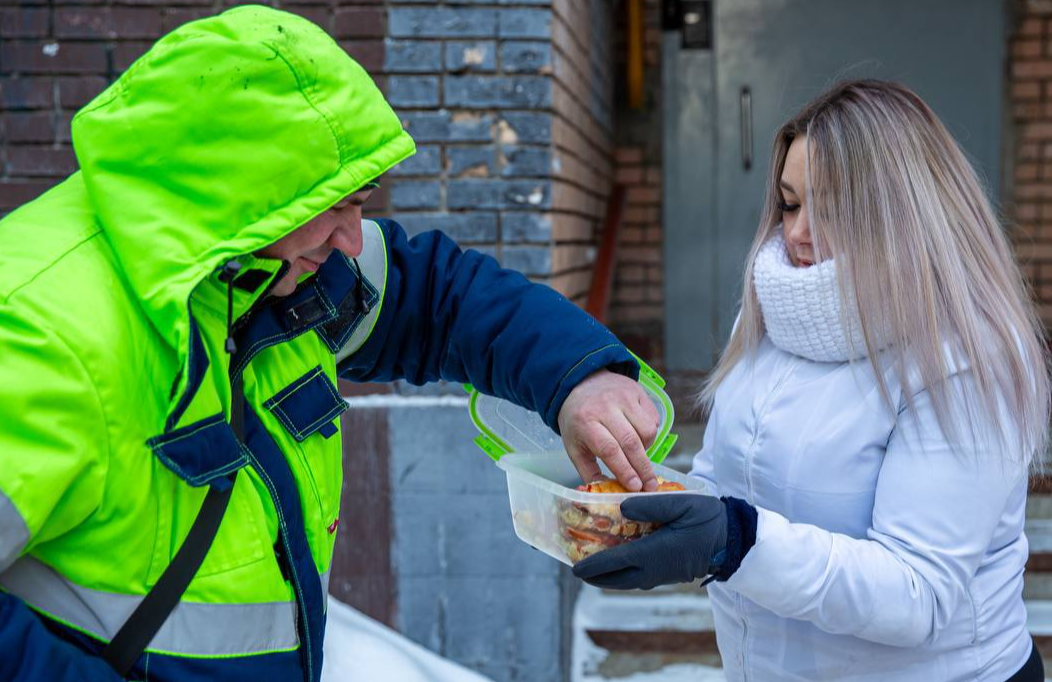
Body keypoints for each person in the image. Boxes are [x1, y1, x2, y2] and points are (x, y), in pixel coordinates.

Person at [0, 7, 662, 682]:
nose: (353, 239)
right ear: (244, 194)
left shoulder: (269, 267)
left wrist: (579, 378)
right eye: (335, 205)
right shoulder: (36, 332)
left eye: (360, 201)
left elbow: (438, 295)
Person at [572, 79, 1052, 681]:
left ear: (906, 209)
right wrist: (636, 502)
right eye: (791, 203)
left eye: (834, 208)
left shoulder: (963, 355)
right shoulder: (775, 307)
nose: (796, 234)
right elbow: (722, 480)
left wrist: (734, 543)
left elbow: (918, 594)